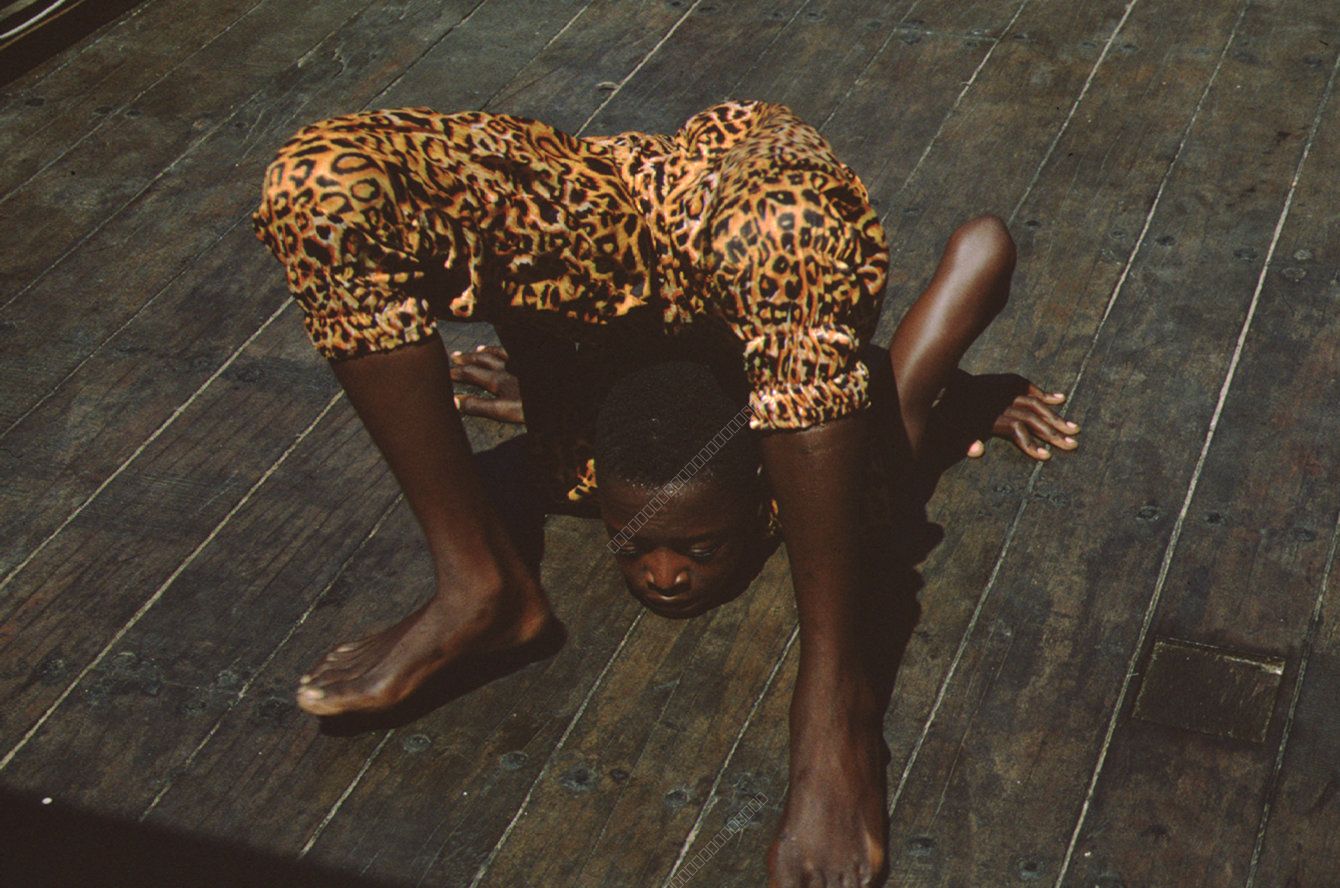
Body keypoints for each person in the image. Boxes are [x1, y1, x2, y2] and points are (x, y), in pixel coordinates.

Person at [252, 99, 1078, 887]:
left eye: (695, 547)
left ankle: (835, 701)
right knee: (319, 186)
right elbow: (977, 257)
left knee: (781, 236)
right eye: (642, 544)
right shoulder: (586, 467)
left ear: (765, 499)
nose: (663, 575)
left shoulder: (794, 487)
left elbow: (982, 249)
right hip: (612, 217)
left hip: (748, 192)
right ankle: (478, 582)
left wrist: (953, 395)